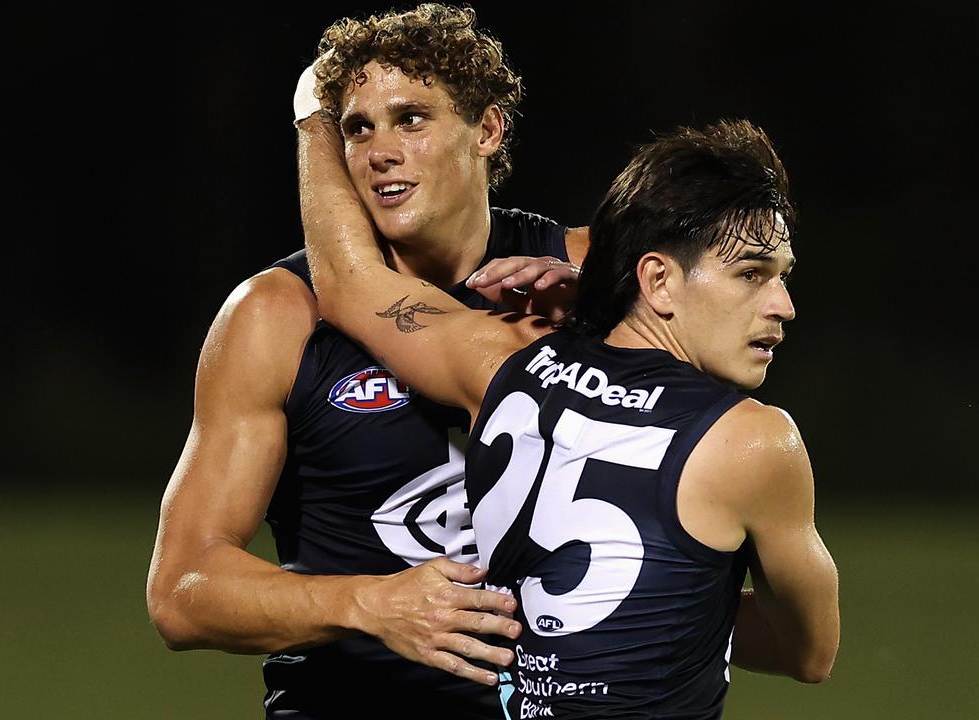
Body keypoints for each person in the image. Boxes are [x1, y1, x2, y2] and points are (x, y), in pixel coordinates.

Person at [298, 105, 841, 718]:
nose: (784, 305)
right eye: (751, 273)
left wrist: (315, 117)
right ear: (658, 281)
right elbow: (811, 653)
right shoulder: (752, 441)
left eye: (782, 276)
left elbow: (347, 278)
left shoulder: (504, 363)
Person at [146, 5, 588, 718]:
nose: (380, 151)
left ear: (488, 129)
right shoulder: (276, 316)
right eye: (357, 127)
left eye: (411, 119)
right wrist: (366, 603)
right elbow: (181, 590)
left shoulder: (588, 280)